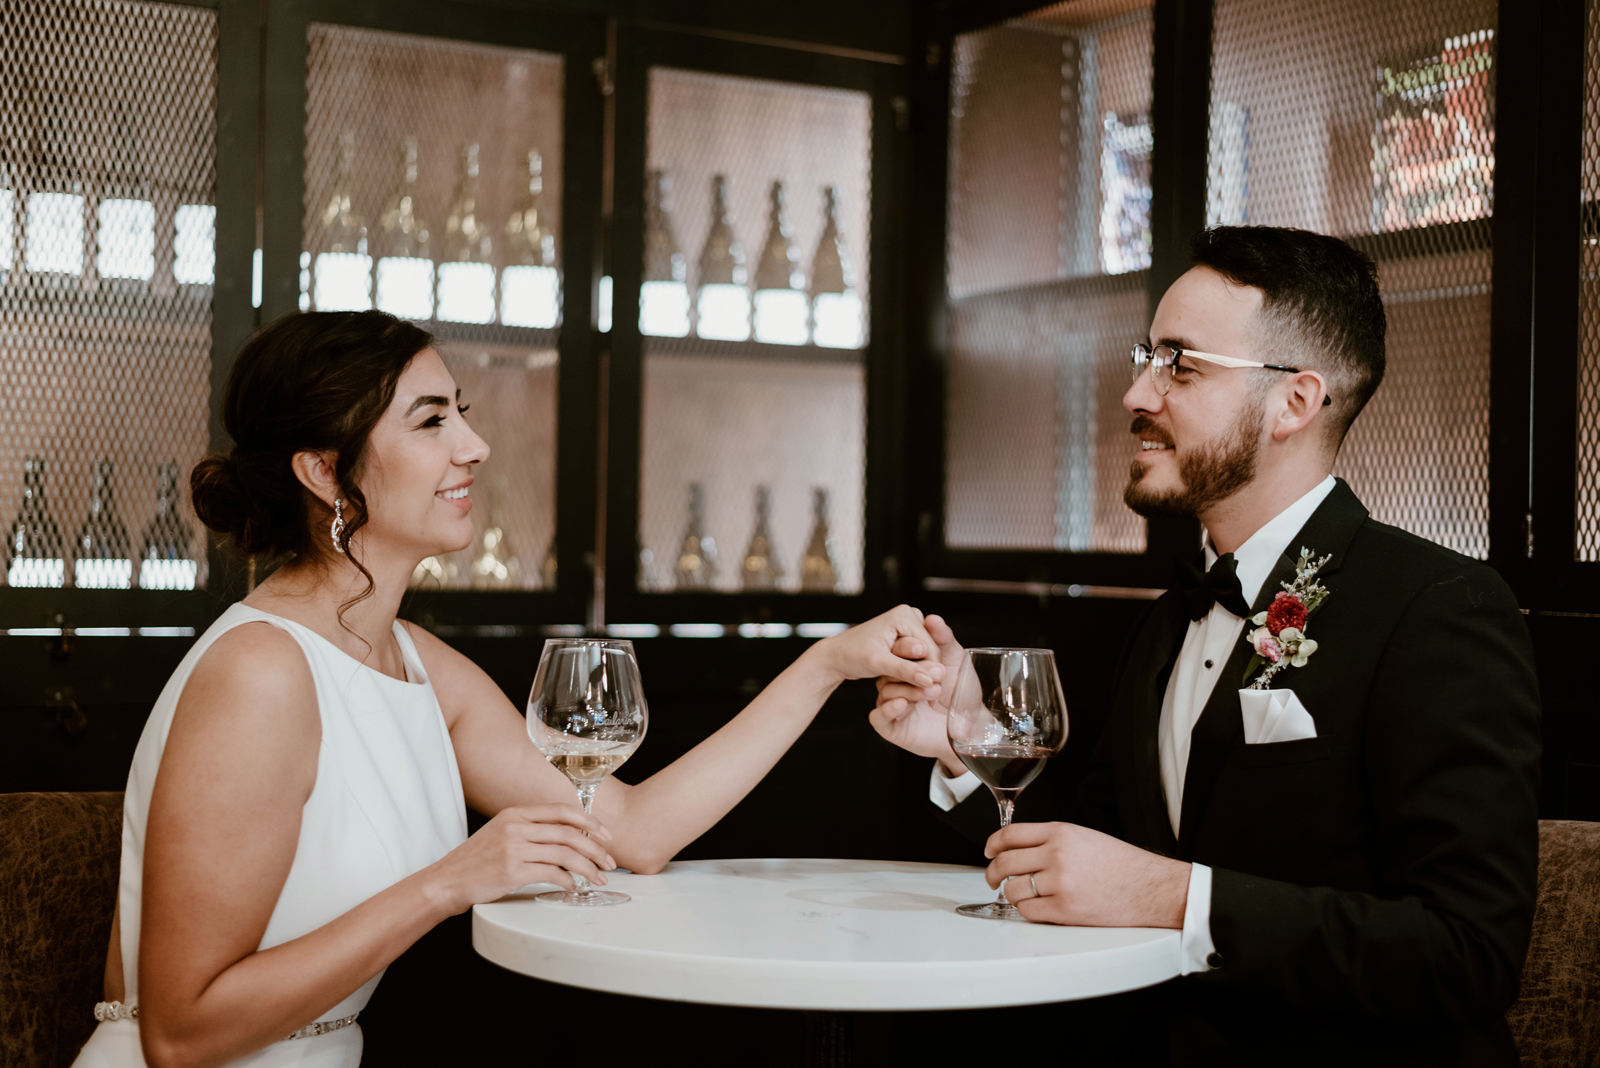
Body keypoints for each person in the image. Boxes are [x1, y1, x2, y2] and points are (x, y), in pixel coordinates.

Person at [74, 310, 945, 1068]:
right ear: (325, 473)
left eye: (461, 412)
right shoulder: (262, 672)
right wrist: (448, 882)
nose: (474, 445)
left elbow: (632, 832)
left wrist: (828, 663)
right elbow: (181, 1039)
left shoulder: (412, 659)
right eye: (429, 421)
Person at [871, 226, 1541, 1064]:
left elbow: (1467, 956)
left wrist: (1177, 896)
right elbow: (1092, 864)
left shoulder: (1439, 608)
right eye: (1144, 357)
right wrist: (966, 750)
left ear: (1295, 401)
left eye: (1180, 364)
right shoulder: (1167, 619)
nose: (1137, 396)